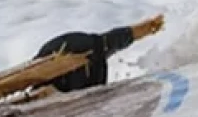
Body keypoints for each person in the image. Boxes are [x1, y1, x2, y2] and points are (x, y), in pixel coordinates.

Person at [35, 14, 165, 93]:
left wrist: (147, 28)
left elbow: (112, 41)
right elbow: (111, 40)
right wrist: (147, 28)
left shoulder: (91, 56)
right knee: (105, 44)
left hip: (75, 54)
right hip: (71, 50)